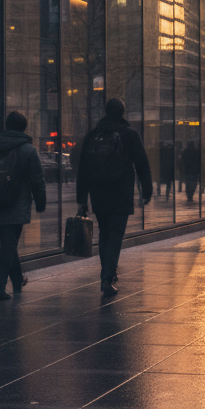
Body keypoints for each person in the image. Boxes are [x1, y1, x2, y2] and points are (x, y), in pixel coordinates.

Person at [76, 97, 153, 296]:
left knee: (104, 232)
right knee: (116, 234)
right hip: (121, 191)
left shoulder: (93, 135)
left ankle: (107, 272)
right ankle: (106, 277)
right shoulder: (129, 134)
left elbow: (82, 169)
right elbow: (142, 164)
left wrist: (82, 199)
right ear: (122, 113)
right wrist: (147, 191)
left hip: (98, 192)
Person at [0, 111, 46, 299]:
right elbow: (37, 180)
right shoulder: (28, 150)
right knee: (8, 246)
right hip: (17, 204)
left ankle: (17, 280)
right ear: (24, 127)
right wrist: (40, 202)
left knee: (9, 243)